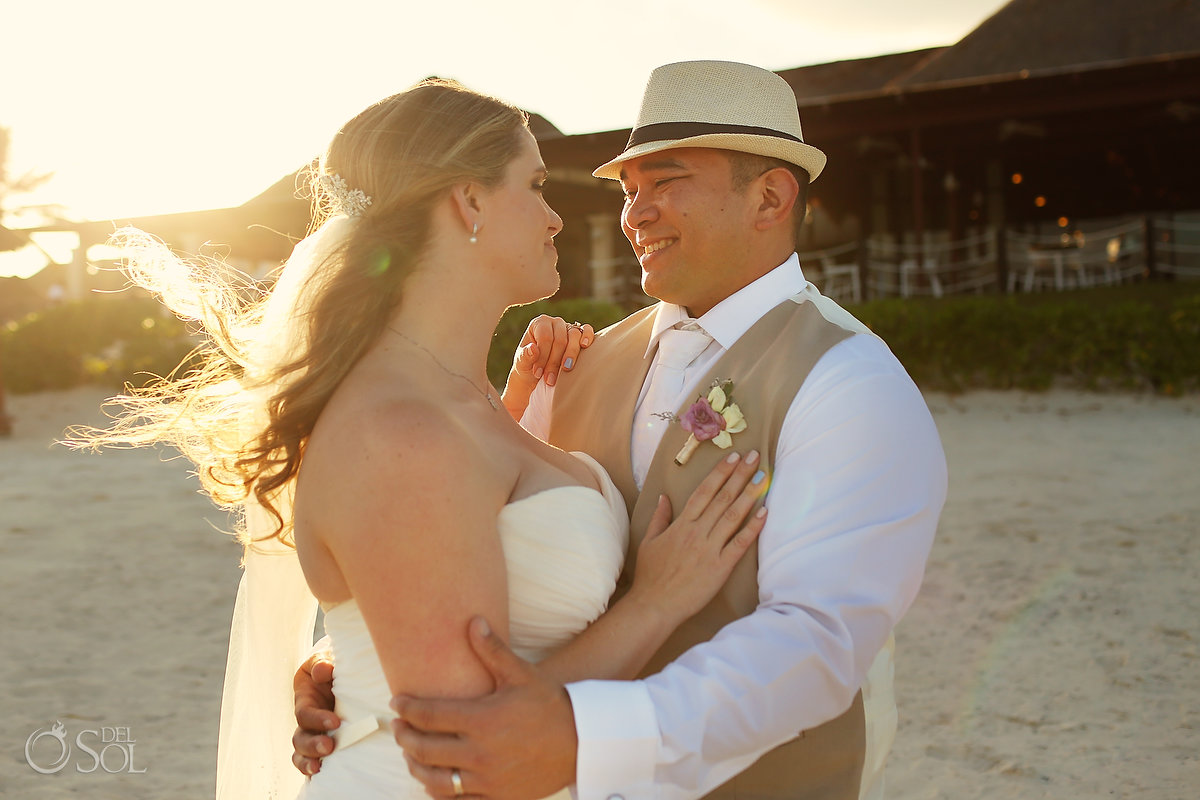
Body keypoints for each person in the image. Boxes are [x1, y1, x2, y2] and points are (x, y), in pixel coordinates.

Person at [71, 79, 772, 800]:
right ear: (467, 202)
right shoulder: (399, 430)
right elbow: (465, 737)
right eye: (533, 185)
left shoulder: (468, 405)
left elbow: (442, 579)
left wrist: (346, 661)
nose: (556, 217)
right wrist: (656, 604)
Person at [292, 61, 948, 800]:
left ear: (769, 196)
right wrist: (355, 667)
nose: (634, 213)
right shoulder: (577, 364)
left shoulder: (847, 382)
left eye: (666, 182)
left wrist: (581, 736)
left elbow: (818, 643)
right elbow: (463, 552)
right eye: (630, 190)